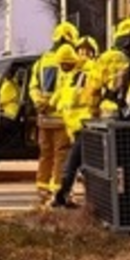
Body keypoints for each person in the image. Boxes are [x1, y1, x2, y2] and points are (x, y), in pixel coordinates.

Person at [29, 22, 80, 200]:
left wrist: (39, 103)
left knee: (45, 153)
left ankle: (42, 187)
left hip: (44, 117)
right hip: (61, 117)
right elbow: (69, 89)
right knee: (62, 154)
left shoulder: (42, 61)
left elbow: (33, 86)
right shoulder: (71, 61)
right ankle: (59, 189)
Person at [51, 36, 100, 209]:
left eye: (65, 64)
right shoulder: (72, 74)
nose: (63, 68)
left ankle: (63, 196)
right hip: (77, 126)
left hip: (84, 125)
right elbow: (63, 97)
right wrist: (53, 103)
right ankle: (70, 198)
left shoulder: (88, 73)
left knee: (74, 163)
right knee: (82, 164)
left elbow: (80, 98)